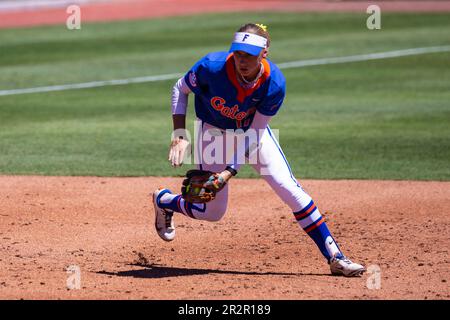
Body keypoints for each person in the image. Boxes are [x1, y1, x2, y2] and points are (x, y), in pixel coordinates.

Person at [153, 23, 366, 277]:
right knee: (212, 212)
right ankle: (164, 201)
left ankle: (336, 257)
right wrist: (179, 133)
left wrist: (228, 172)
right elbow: (180, 88)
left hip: (253, 134)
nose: (242, 61)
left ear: (264, 53)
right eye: (238, 54)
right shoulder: (211, 67)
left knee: (289, 188)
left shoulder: (274, 83)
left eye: (249, 56)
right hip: (213, 134)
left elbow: (254, 133)